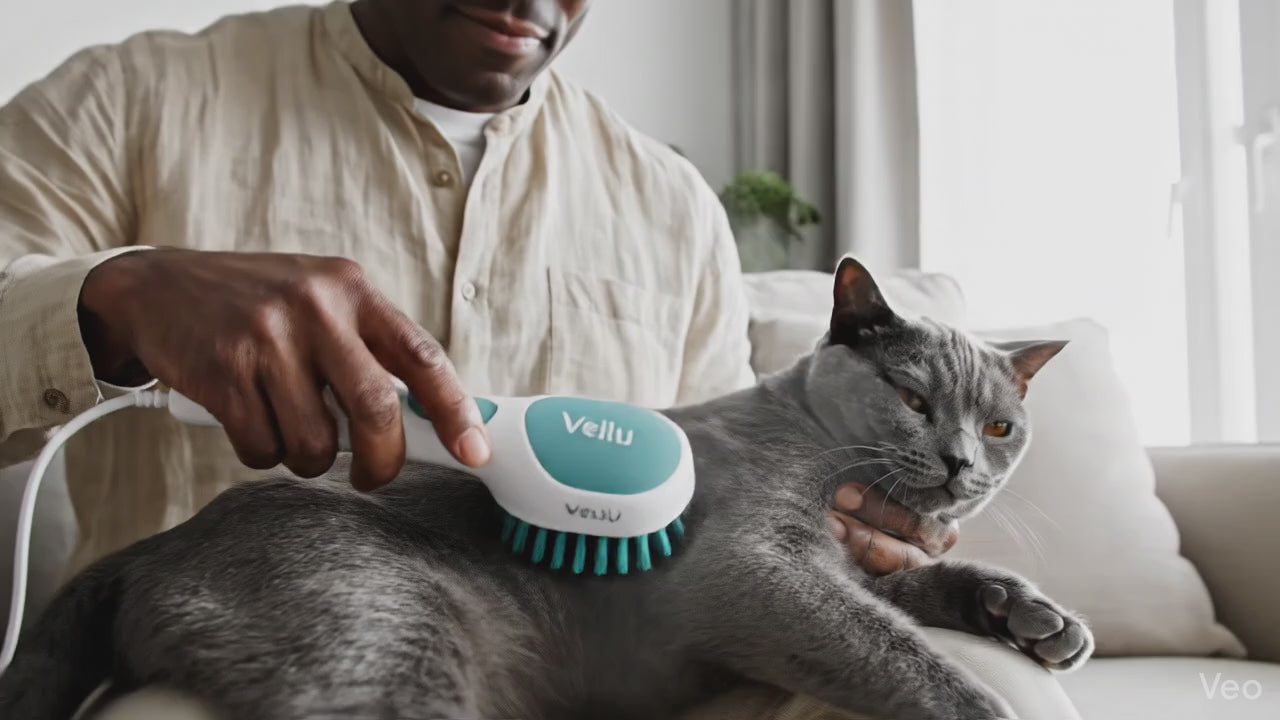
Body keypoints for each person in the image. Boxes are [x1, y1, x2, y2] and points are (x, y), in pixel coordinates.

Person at [0, 2, 1061, 719]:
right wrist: (116, 299)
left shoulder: (669, 203)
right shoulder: (130, 101)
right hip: (270, 626)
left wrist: (844, 535)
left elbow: (715, 535)